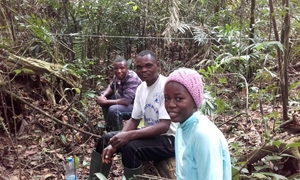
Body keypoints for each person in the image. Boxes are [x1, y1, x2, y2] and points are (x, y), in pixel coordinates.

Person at [88, 50, 178, 180]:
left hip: (171, 138)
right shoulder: (142, 88)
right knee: (106, 139)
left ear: (158, 65)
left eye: (148, 66)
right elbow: (134, 120)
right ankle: (95, 178)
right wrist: (118, 139)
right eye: (139, 67)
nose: (143, 70)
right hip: (152, 134)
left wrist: (128, 136)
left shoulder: (165, 86)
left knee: (131, 148)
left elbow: (164, 126)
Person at [164, 68, 231, 180]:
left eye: (179, 98)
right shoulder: (181, 127)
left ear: (195, 102)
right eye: (167, 98)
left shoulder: (203, 134)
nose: (170, 104)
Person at [95, 56, 141, 131]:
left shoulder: (132, 78)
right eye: (116, 68)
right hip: (127, 101)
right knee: (103, 94)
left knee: (114, 110)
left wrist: (105, 101)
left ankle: (118, 132)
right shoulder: (117, 76)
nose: (119, 71)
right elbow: (111, 87)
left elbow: (126, 101)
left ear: (127, 68)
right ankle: (109, 126)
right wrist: (103, 96)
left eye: (122, 68)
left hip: (137, 106)